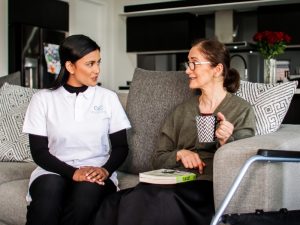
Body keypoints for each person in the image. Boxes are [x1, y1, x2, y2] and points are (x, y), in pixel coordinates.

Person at [91, 39, 256, 225]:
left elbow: (244, 163)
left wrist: (227, 141)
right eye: (188, 63)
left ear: (217, 69)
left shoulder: (241, 110)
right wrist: (179, 154)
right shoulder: (182, 111)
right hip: (171, 179)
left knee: (159, 200)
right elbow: (158, 157)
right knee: (114, 201)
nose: (187, 70)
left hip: (206, 185)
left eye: (194, 63)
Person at [22, 34, 131, 225]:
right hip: (52, 169)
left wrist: (105, 170)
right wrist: (73, 173)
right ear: (70, 66)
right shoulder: (43, 99)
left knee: (85, 196)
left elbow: (121, 147)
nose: (97, 70)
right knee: (48, 193)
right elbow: (38, 152)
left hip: (95, 170)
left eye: (98, 62)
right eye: (90, 64)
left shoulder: (108, 98)